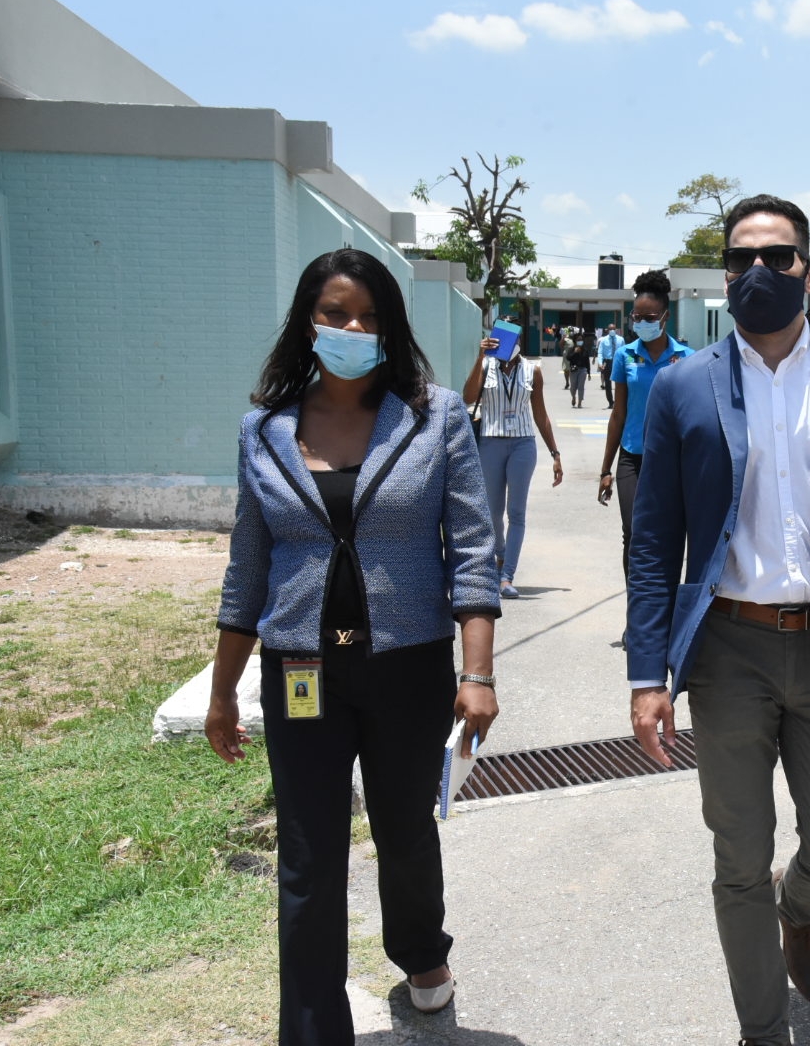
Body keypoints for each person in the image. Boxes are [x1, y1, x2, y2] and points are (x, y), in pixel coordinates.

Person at [627, 195, 810, 1046]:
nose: (761, 272)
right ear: (726, 274)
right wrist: (648, 675)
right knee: (737, 856)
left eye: (780, 256)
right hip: (728, 651)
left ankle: (801, 911)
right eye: (743, 258)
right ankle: (763, 1030)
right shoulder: (685, 386)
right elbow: (654, 545)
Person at [204, 248, 500, 1044]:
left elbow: (472, 549)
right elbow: (248, 565)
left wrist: (477, 671)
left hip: (407, 663)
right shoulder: (263, 430)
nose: (353, 328)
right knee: (308, 853)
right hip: (299, 667)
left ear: (389, 327)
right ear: (309, 321)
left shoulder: (435, 416)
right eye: (336, 314)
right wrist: (223, 689)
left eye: (369, 316)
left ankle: (418, 950)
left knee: (404, 826)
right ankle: (311, 1029)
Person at [597, 269, 693, 583]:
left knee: (668, 534)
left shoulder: (687, 359)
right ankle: (639, 611)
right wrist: (606, 469)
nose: (641, 323)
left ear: (665, 317)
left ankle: (665, 606)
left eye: (648, 316)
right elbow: (618, 415)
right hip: (632, 457)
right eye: (636, 317)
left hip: (673, 460)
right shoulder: (625, 356)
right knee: (634, 532)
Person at [463, 325, 563, 600]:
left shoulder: (533, 371)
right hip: (490, 443)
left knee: (516, 513)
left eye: (511, 337)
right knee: (493, 513)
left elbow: (540, 413)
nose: (506, 343)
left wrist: (555, 453)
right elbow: (468, 397)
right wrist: (479, 357)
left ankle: (506, 576)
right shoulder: (486, 367)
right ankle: (501, 555)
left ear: (518, 340)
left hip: (522, 444)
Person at [597, 321, 623, 408]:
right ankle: (611, 402)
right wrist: (600, 363)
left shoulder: (620, 339)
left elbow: (624, 352)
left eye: (614, 329)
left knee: (619, 383)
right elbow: (600, 353)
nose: (612, 330)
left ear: (616, 330)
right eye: (610, 329)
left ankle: (618, 401)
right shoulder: (603, 340)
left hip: (618, 362)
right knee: (608, 384)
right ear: (608, 330)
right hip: (607, 362)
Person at [567, 333, 592, 408]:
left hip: (583, 370)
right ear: (575, 341)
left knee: (581, 386)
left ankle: (580, 402)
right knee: (573, 387)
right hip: (574, 370)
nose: (580, 341)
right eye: (578, 340)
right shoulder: (572, 349)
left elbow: (587, 362)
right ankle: (573, 397)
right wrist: (575, 352)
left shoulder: (585, 350)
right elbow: (568, 358)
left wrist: (589, 373)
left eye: (581, 340)